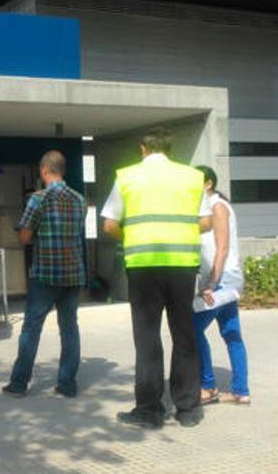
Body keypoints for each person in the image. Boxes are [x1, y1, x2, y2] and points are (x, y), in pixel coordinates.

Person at [102, 128, 212, 428]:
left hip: (143, 267)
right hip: (181, 266)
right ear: (169, 149)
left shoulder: (126, 176)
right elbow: (206, 221)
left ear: (142, 150)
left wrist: (133, 235)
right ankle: (188, 409)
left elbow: (110, 225)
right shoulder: (191, 177)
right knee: (184, 335)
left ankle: (150, 410)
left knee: (147, 339)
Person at [2, 150, 87, 398]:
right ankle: (67, 385)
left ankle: (19, 384)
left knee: (31, 328)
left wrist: (29, 233)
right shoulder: (79, 199)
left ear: (43, 170)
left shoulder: (38, 199)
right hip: (73, 274)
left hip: (46, 275)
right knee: (69, 328)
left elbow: (25, 236)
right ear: (63, 170)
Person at [193, 165, 250, 406]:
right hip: (227, 278)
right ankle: (240, 391)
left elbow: (222, 247)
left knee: (193, 329)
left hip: (222, 279)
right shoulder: (211, 206)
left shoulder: (217, 206)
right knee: (231, 333)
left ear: (208, 184)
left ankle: (208, 386)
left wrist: (211, 283)